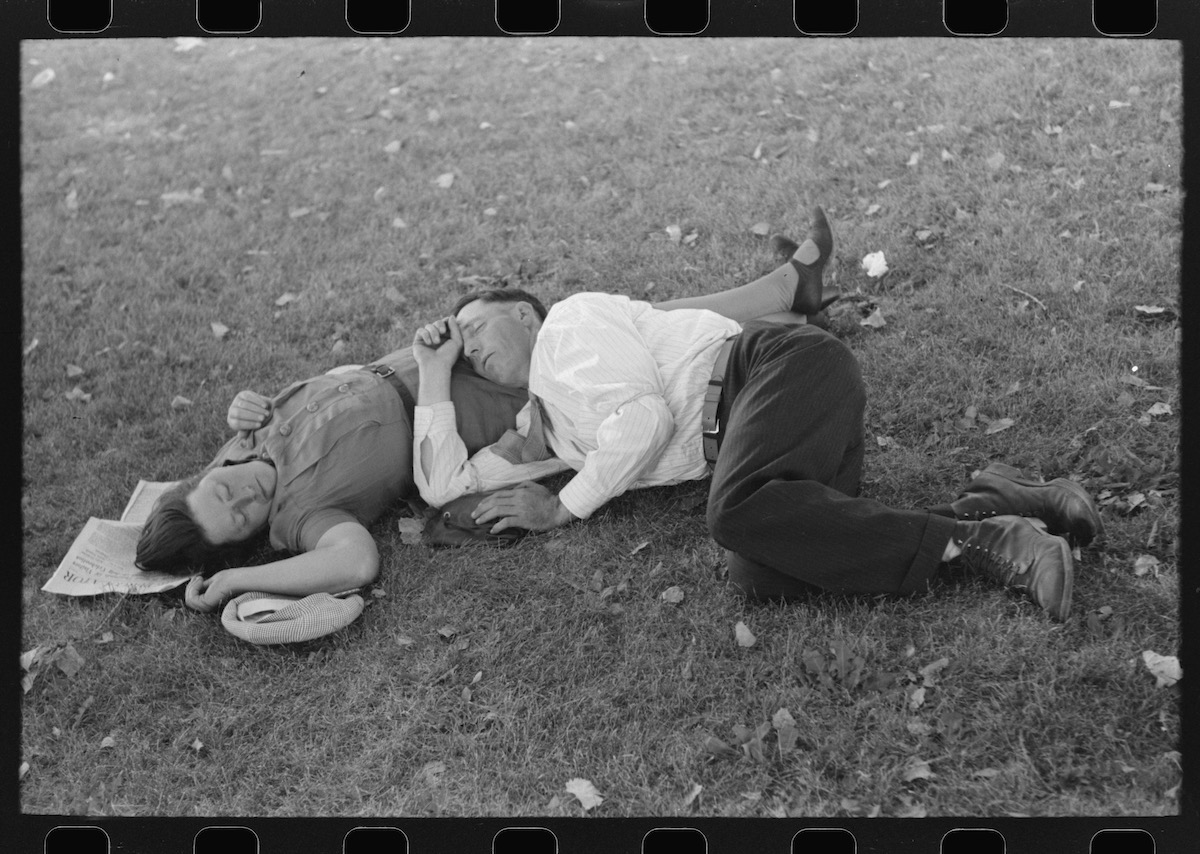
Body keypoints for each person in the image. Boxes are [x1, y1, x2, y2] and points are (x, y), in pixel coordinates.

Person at [411, 208, 1103, 621]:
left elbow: (645, 420)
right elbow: (444, 486)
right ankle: (1007, 505)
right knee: (760, 574)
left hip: (775, 368)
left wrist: (562, 508)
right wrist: (437, 374)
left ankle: (993, 548)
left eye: (475, 330)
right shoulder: (546, 428)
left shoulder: (569, 326)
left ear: (523, 313)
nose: (471, 349)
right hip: (766, 440)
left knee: (732, 511)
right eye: (465, 353)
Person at [135, 224, 833, 612]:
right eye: (241, 521)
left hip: (431, 354)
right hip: (474, 402)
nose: (247, 496)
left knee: (631, 327)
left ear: (211, 469)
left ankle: (783, 303)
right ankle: (783, 302)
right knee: (623, 339)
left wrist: (252, 406)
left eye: (226, 491)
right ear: (258, 535)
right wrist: (234, 580)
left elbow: (328, 389)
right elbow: (353, 561)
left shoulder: (249, 430)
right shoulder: (299, 517)